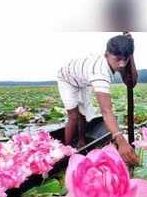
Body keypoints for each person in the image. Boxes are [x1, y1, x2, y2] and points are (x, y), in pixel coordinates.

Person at [57, 33, 139, 165]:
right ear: (106, 55)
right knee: (73, 116)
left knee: (83, 113)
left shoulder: (119, 60)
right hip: (67, 78)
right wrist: (120, 139)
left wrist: (131, 55)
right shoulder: (99, 73)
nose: (122, 64)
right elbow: (106, 111)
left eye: (125, 59)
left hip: (84, 80)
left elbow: (131, 82)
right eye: (118, 59)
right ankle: (66, 152)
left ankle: (81, 141)